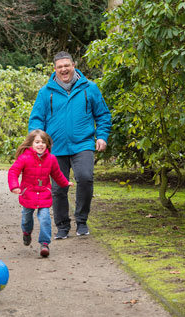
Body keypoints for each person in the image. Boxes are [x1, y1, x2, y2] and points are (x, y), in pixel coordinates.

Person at [28, 51, 111, 239]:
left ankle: (81, 221)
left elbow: (103, 115)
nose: (64, 69)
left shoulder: (90, 88)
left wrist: (102, 137)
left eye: (67, 65)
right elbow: (36, 120)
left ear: (73, 65)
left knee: (85, 178)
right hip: (55, 147)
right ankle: (63, 226)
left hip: (83, 143)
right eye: (60, 67)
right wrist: (37, 142)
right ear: (55, 69)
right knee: (58, 188)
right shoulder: (45, 92)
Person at [8, 130, 74, 257]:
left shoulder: (51, 159)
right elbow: (13, 172)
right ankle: (26, 232)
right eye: (37, 142)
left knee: (45, 219)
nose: (40, 145)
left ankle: (44, 244)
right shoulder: (24, 158)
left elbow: (57, 174)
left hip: (44, 194)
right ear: (31, 144)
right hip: (28, 194)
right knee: (26, 219)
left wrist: (65, 183)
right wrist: (14, 186)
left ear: (47, 144)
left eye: (43, 142)